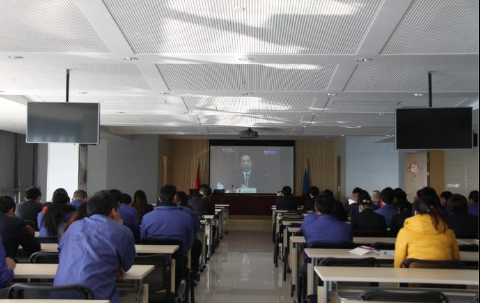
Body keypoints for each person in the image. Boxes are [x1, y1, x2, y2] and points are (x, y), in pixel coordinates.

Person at [54, 191, 135, 302]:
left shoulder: (73, 227)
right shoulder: (123, 232)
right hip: (96, 297)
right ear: (114, 212)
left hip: (59, 296)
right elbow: (126, 265)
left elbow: (62, 253)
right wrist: (115, 268)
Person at [394, 197, 460, 268]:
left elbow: (399, 261)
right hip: (445, 276)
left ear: (415, 212)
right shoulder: (449, 233)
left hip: (413, 277)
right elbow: (456, 260)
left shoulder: (405, 232)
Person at [141, 185, 194, 257]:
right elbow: (189, 241)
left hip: (153, 259)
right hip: (178, 259)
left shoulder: (146, 217)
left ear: (159, 198)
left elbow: (143, 239)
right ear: (175, 197)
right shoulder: (187, 217)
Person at [174, 191, 202, 277]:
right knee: (197, 244)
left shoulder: (149, 216)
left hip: (157, 253)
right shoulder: (187, 212)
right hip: (181, 248)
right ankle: (193, 273)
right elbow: (196, 226)